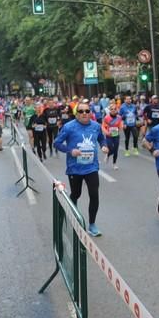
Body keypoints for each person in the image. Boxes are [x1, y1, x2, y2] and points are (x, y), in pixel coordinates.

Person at [54, 101, 109, 237]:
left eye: (87, 111)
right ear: (76, 114)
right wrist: (70, 150)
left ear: (90, 113)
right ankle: (73, 215)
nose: (84, 113)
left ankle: (92, 225)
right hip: (75, 168)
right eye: (81, 111)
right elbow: (57, 143)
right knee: (76, 194)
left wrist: (104, 146)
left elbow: (102, 139)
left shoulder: (96, 126)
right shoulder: (68, 127)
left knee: (94, 194)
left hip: (92, 167)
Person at [102, 103, 123, 170]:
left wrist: (121, 128)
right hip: (109, 135)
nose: (113, 110)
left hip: (116, 135)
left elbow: (120, 125)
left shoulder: (119, 117)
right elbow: (103, 127)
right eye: (112, 109)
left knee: (116, 150)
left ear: (117, 110)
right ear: (109, 110)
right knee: (111, 148)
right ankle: (107, 155)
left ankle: (114, 164)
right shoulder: (106, 117)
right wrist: (107, 133)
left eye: (115, 109)